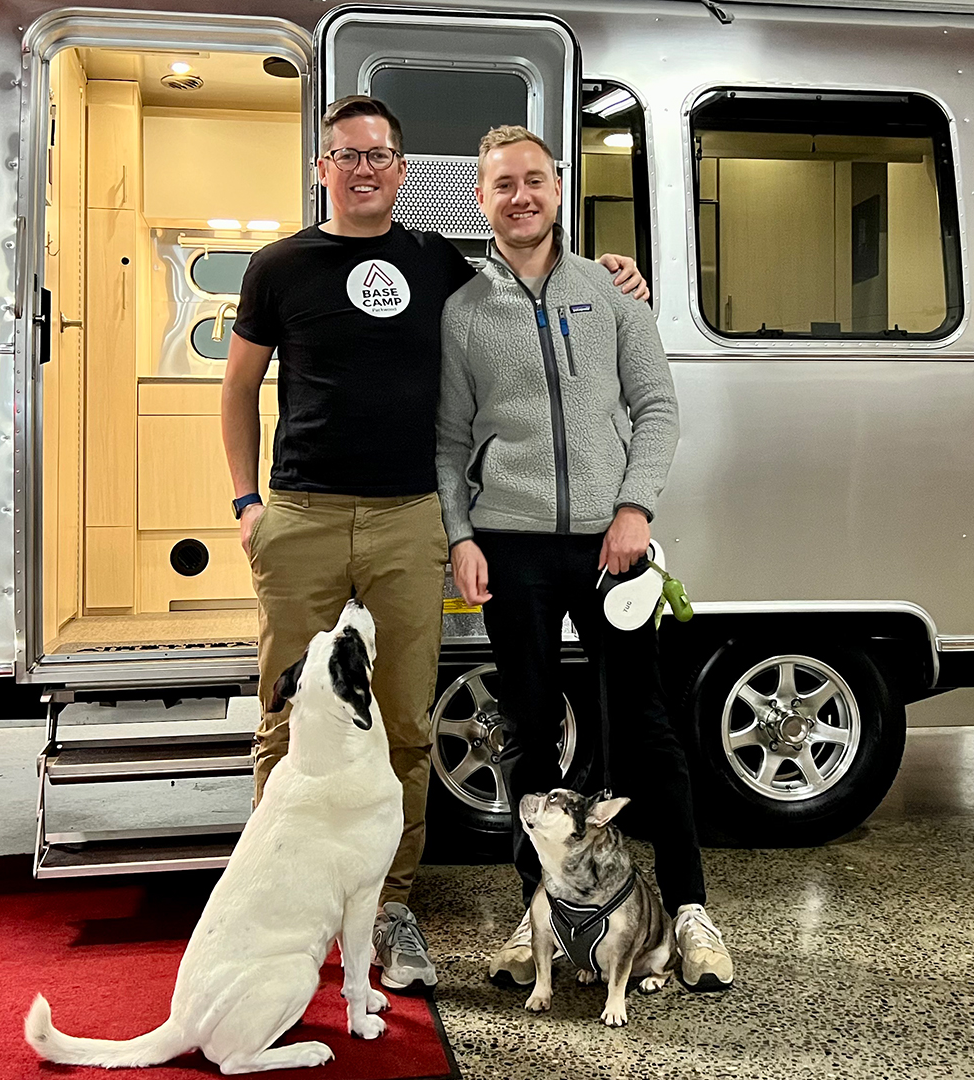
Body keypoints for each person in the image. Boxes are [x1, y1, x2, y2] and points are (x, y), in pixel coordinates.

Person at [220, 96, 647, 993]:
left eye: (380, 155)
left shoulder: (434, 261)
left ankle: (390, 909)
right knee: (284, 718)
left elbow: (524, 277)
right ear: (322, 168)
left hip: (408, 516)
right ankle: (277, 897)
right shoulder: (278, 266)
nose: (365, 168)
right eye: (348, 155)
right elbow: (238, 389)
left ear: (403, 171)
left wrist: (616, 274)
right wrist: (248, 503)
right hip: (299, 514)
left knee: (407, 721)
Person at [435, 125, 734, 993]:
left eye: (535, 180)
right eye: (502, 186)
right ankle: (539, 927)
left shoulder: (611, 296)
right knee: (529, 733)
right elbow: (449, 442)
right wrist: (461, 534)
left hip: (614, 546)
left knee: (645, 728)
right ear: (480, 199)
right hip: (511, 548)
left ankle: (689, 913)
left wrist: (634, 510)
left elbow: (656, 409)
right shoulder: (463, 312)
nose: (520, 197)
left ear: (559, 189)